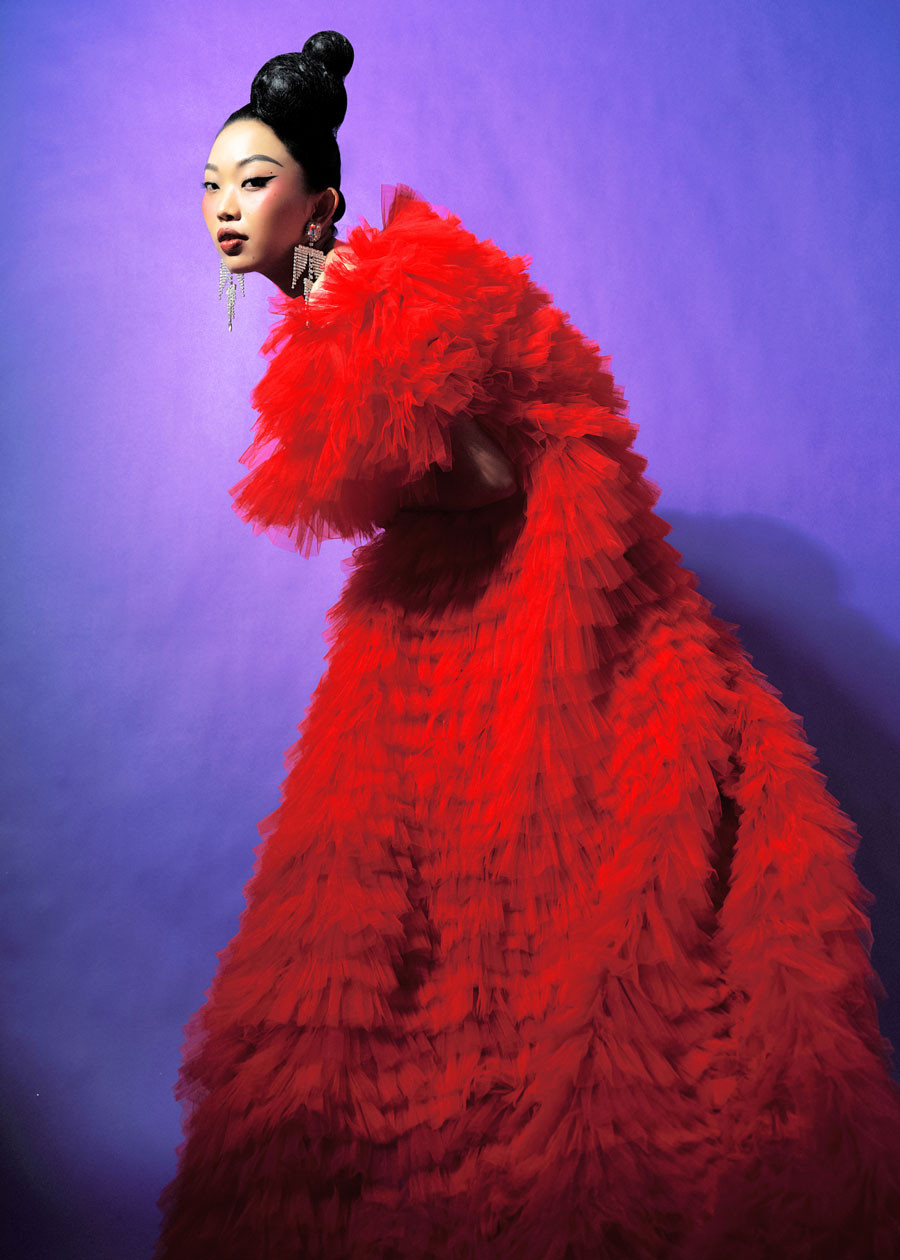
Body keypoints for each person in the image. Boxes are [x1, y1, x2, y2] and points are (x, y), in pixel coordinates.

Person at [154, 29, 900, 1260]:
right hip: (442, 608)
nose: (225, 207)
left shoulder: (371, 290)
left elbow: (499, 471)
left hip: (531, 603)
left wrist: (405, 437)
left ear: (319, 202)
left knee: (548, 896)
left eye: (253, 181)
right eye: (211, 185)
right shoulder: (321, 300)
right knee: (397, 896)